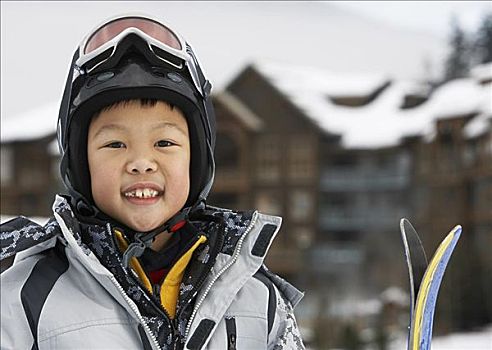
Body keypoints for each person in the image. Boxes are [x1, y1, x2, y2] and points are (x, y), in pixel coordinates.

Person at [0, 14, 305, 349]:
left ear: (196, 159)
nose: (141, 163)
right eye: (115, 144)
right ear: (81, 163)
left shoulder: (257, 302)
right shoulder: (23, 297)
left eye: (164, 143)